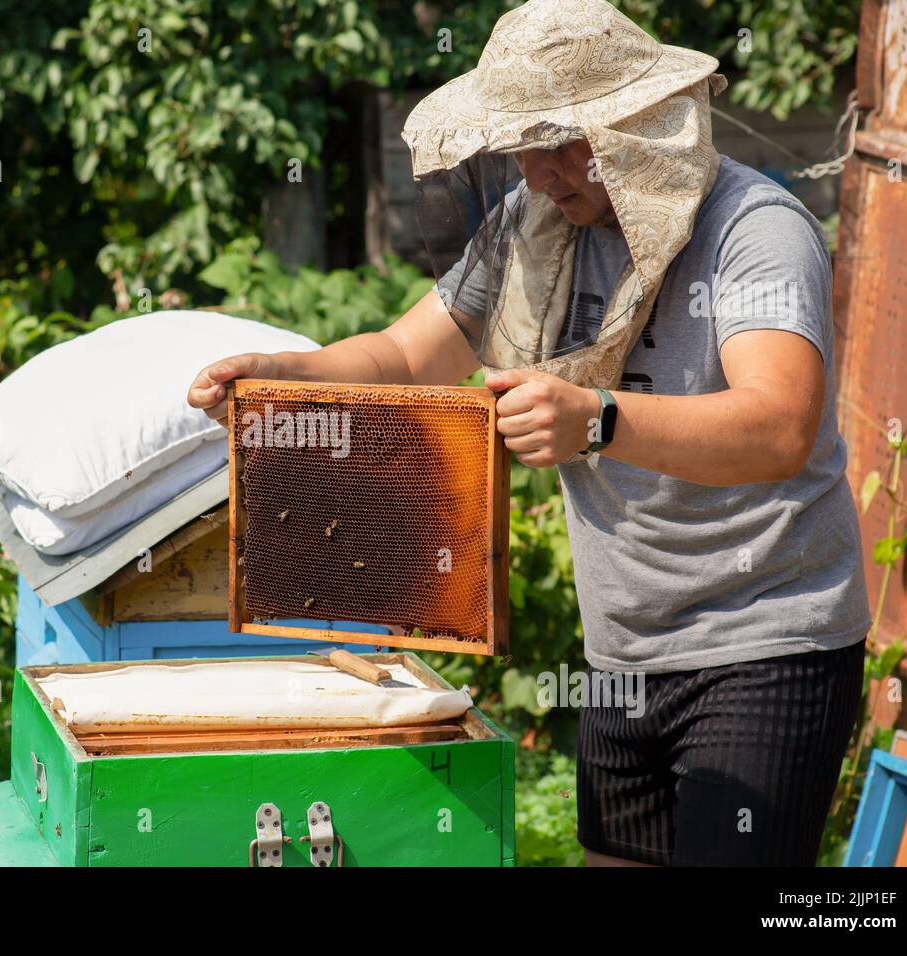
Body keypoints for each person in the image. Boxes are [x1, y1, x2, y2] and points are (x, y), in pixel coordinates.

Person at [186, 0, 869, 867]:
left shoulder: (755, 230)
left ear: (640, 124)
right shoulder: (534, 225)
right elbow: (404, 355)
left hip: (765, 637)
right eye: (523, 144)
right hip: (623, 645)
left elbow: (779, 427)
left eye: (561, 142)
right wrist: (282, 377)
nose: (538, 172)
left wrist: (597, 420)